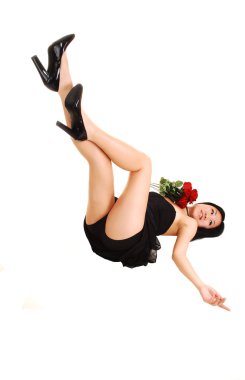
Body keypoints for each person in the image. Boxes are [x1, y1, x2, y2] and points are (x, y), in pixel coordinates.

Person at [31, 34, 230, 312]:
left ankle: (89, 130)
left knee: (143, 165)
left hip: (124, 239)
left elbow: (179, 256)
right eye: (212, 212)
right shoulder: (177, 203)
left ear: (203, 230)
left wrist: (201, 286)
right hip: (105, 226)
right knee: (99, 162)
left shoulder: (189, 225)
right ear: (205, 203)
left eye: (211, 222)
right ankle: (60, 75)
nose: (207, 217)